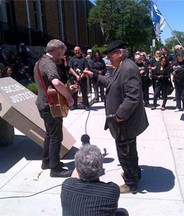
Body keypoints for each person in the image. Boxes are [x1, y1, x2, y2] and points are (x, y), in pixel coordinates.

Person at [84, 40, 149, 194]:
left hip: (124, 123)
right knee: (130, 150)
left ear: (119, 53)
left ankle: (130, 183)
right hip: (123, 122)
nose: (108, 58)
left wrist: (120, 115)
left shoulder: (128, 68)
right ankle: (133, 173)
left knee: (125, 153)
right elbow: (111, 83)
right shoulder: (121, 66)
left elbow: (133, 96)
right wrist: (94, 76)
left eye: (110, 54)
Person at [34, 39, 76, 178]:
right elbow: (56, 82)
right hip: (50, 105)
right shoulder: (49, 63)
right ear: (56, 51)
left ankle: (47, 161)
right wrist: (69, 97)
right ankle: (55, 168)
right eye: (61, 54)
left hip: (43, 104)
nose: (61, 57)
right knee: (56, 136)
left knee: (49, 134)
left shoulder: (39, 62)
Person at [61, 145, 129, 216]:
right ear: (100, 168)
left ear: (77, 168)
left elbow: (74, 177)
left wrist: (81, 162)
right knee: (123, 212)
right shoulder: (112, 190)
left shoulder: (67, 185)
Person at [68, 46, 90, 110]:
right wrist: (77, 76)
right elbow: (70, 68)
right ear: (74, 51)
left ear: (80, 50)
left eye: (78, 50)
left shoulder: (84, 59)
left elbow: (86, 68)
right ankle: (74, 105)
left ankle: (86, 105)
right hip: (74, 78)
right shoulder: (72, 59)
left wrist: (81, 76)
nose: (77, 51)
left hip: (83, 77)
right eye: (76, 50)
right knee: (74, 92)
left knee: (84, 91)